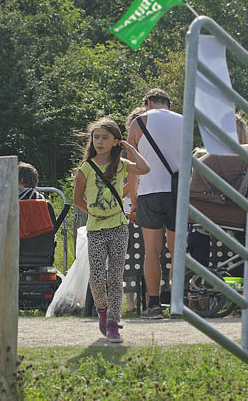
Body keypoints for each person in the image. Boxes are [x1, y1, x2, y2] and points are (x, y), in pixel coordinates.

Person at [72, 117, 150, 342]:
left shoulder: (122, 165)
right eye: (96, 137)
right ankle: (103, 312)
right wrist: (93, 212)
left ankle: (114, 323)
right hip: (95, 229)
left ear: (115, 141)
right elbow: (77, 199)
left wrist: (130, 149)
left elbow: (145, 168)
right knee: (97, 277)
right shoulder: (85, 169)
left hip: (118, 227)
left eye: (105, 138)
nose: (99, 141)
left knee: (116, 278)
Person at [125, 89, 183, 319]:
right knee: (177, 250)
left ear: (148, 102)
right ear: (168, 103)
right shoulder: (184, 120)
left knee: (152, 251)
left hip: (150, 192)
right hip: (178, 191)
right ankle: (178, 303)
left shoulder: (139, 122)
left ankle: (154, 305)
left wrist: (134, 201)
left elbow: (131, 166)